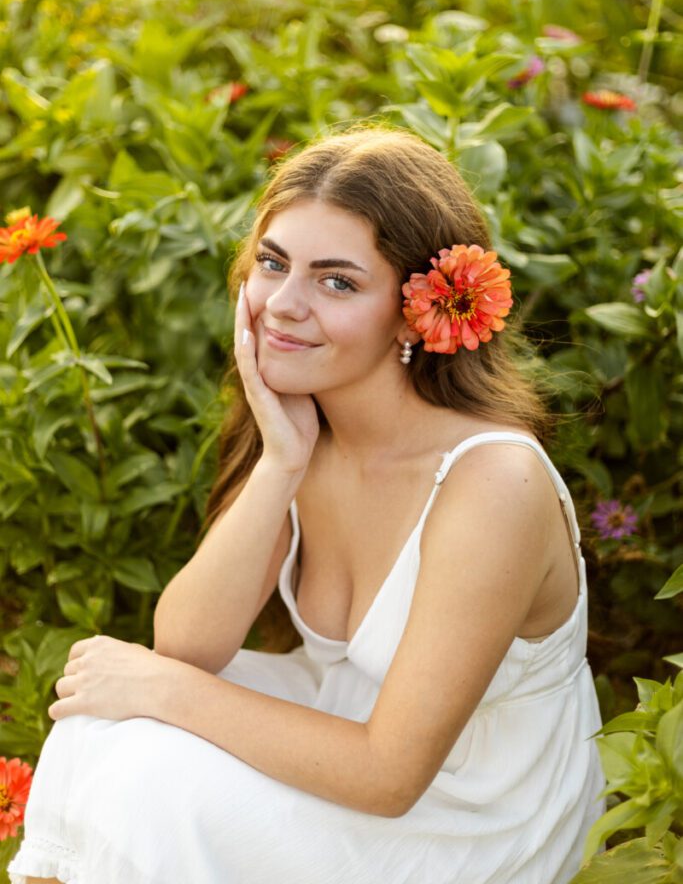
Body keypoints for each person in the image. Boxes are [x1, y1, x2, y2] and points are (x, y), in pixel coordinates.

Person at [10, 125, 604, 884]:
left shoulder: (492, 483)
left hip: (470, 812)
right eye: (272, 263)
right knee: (104, 722)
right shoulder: (307, 427)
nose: (282, 305)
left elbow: (390, 775)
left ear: (415, 310)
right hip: (347, 729)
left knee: (152, 768)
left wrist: (166, 691)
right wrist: (281, 463)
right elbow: (186, 647)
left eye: (337, 281)